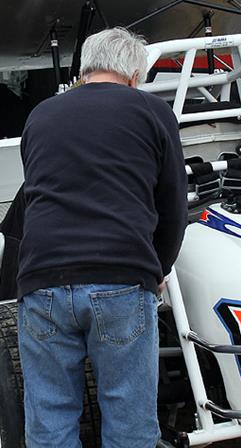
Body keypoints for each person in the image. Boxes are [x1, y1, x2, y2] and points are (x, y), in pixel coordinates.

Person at [16, 27, 187, 446]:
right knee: (128, 418)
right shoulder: (150, 110)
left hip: (42, 280)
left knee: (50, 416)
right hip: (121, 278)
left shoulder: (41, 114)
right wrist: (157, 268)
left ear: (85, 68)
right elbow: (173, 205)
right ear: (133, 75)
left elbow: (36, 194)